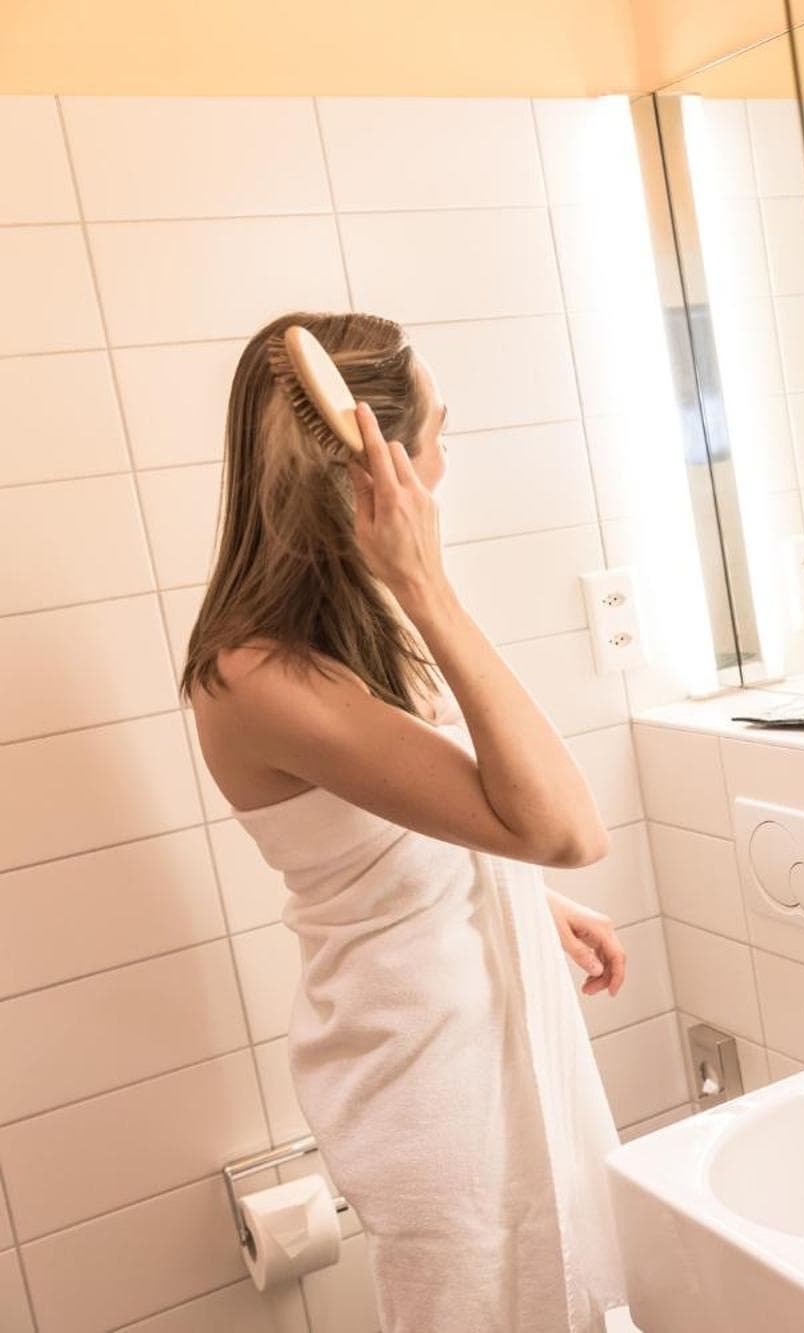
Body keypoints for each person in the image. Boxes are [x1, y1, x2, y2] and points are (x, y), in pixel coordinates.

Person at [183, 312, 629, 1331]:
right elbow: (570, 829)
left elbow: (402, 825)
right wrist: (428, 586)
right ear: (375, 466)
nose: (444, 460)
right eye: (437, 432)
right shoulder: (255, 676)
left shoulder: (345, 629)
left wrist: (526, 903)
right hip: (429, 1086)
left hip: (479, 1035)